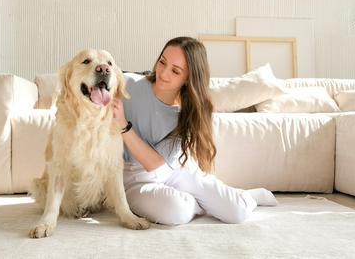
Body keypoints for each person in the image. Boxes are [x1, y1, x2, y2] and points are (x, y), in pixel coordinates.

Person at [112, 36, 277, 226]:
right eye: (162, 62)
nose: (163, 73)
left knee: (237, 212)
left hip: (175, 171)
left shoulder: (188, 114)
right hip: (134, 178)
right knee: (176, 213)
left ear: (188, 77)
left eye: (175, 71)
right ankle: (201, 204)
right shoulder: (127, 84)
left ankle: (248, 197)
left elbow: (155, 164)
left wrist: (123, 125)